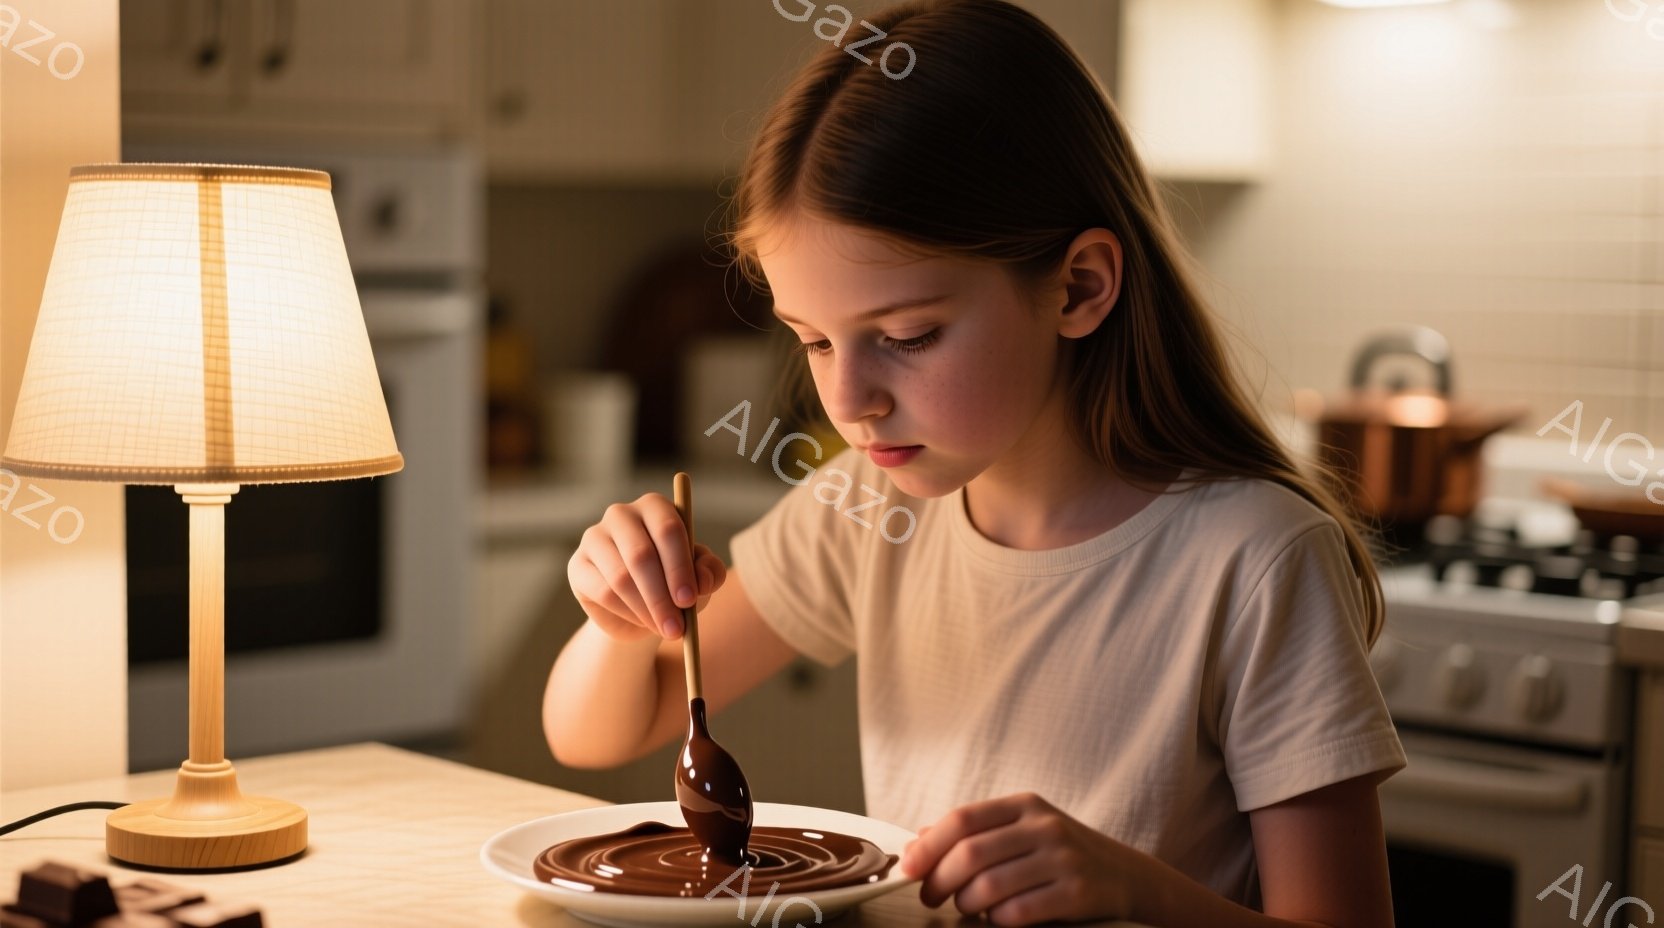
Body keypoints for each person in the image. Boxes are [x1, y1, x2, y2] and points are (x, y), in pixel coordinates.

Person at [544, 1, 1405, 925]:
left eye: (907, 336)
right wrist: (620, 619)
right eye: (816, 342)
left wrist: (1133, 889)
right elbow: (596, 730)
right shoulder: (866, 509)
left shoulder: (1255, 560)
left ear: (1078, 287)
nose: (847, 402)